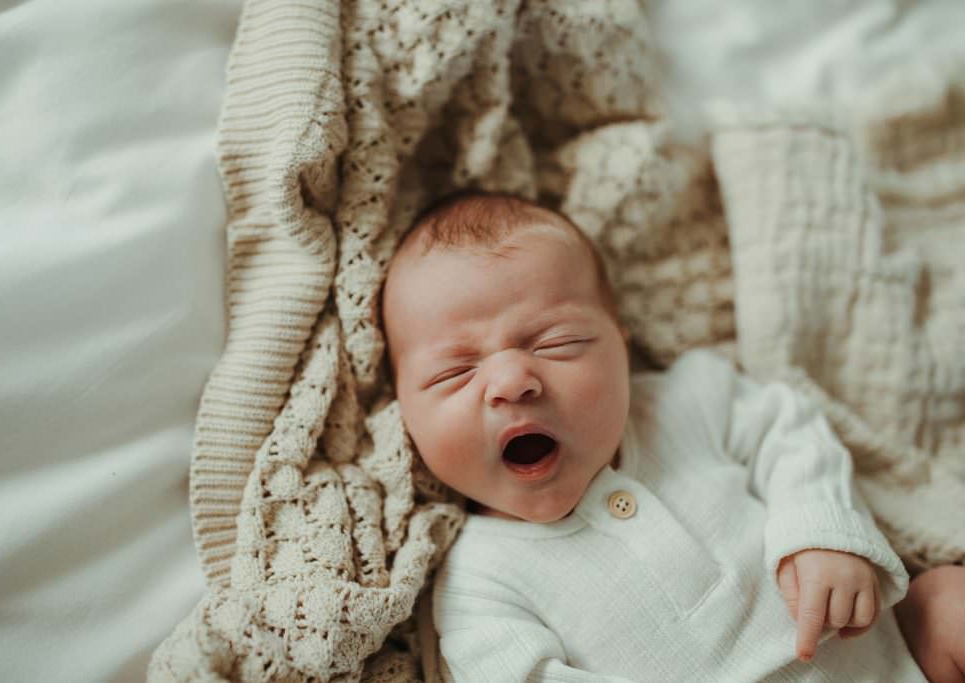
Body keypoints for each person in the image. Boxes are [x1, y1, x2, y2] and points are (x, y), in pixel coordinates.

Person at [380, 190, 965, 682]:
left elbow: (791, 435)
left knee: (949, 601)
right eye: (454, 373)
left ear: (620, 344)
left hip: (896, 664)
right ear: (405, 415)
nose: (511, 381)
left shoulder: (690, 401)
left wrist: (820, 532)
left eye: (554, 343)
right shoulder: (481, 580)